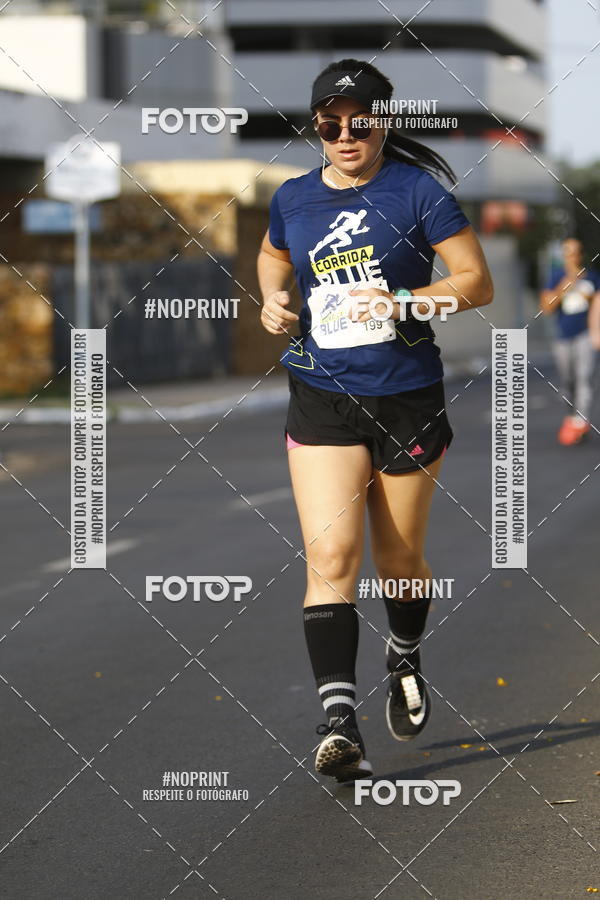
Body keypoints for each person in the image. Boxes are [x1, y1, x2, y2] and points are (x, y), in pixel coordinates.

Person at [257, 59, 493, 782]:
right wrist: (272, 301)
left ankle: (404, 651)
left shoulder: (418, 192)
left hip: (407, 396)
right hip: (321, 394)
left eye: (360, 121)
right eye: (331, 123)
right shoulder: (294, 199)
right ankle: (338, 723)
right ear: (317, 127)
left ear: (382, 121)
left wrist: (405, 300)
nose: (346, 134)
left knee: (399, 562)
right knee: (330, 561)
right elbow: (271, 260)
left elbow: (476, 282)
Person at [540, 238, 600, 445]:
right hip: (563, 336)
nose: (572, 256)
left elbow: (597, 307)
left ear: (581, 254)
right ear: (563, 255)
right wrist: (563, 287)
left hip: (585, 334)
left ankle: (580, 421)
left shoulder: (592, 278)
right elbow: (546, 308)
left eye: (576, 251)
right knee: (569, 381)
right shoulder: (555, 277)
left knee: (585, 377)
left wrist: (596, 333)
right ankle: (571, 416)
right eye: (568, 252)